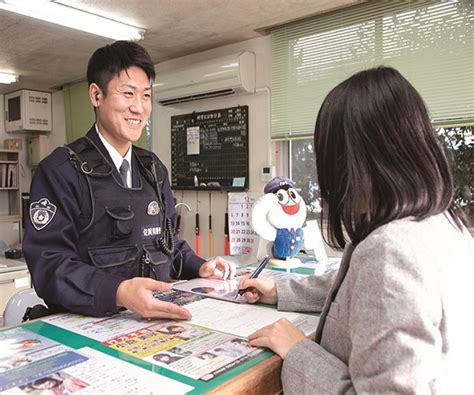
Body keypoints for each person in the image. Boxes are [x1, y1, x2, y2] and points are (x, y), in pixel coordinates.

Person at [239, 66, 473, 394]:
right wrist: (280, 291)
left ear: (352, 163)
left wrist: (296, 351)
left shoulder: (391, 251)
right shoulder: (449, 226)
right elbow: (358, 289)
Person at [23, 41, 235, 319]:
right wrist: (118, 291)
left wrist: (199, 266)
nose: (138, 107)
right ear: (96, 95)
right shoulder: (60, 171)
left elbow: (166, 244)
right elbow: (48, 264)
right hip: (84, 329)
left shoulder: (153, 170)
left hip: (150, 326)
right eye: (127, 94)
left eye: (145, 96)